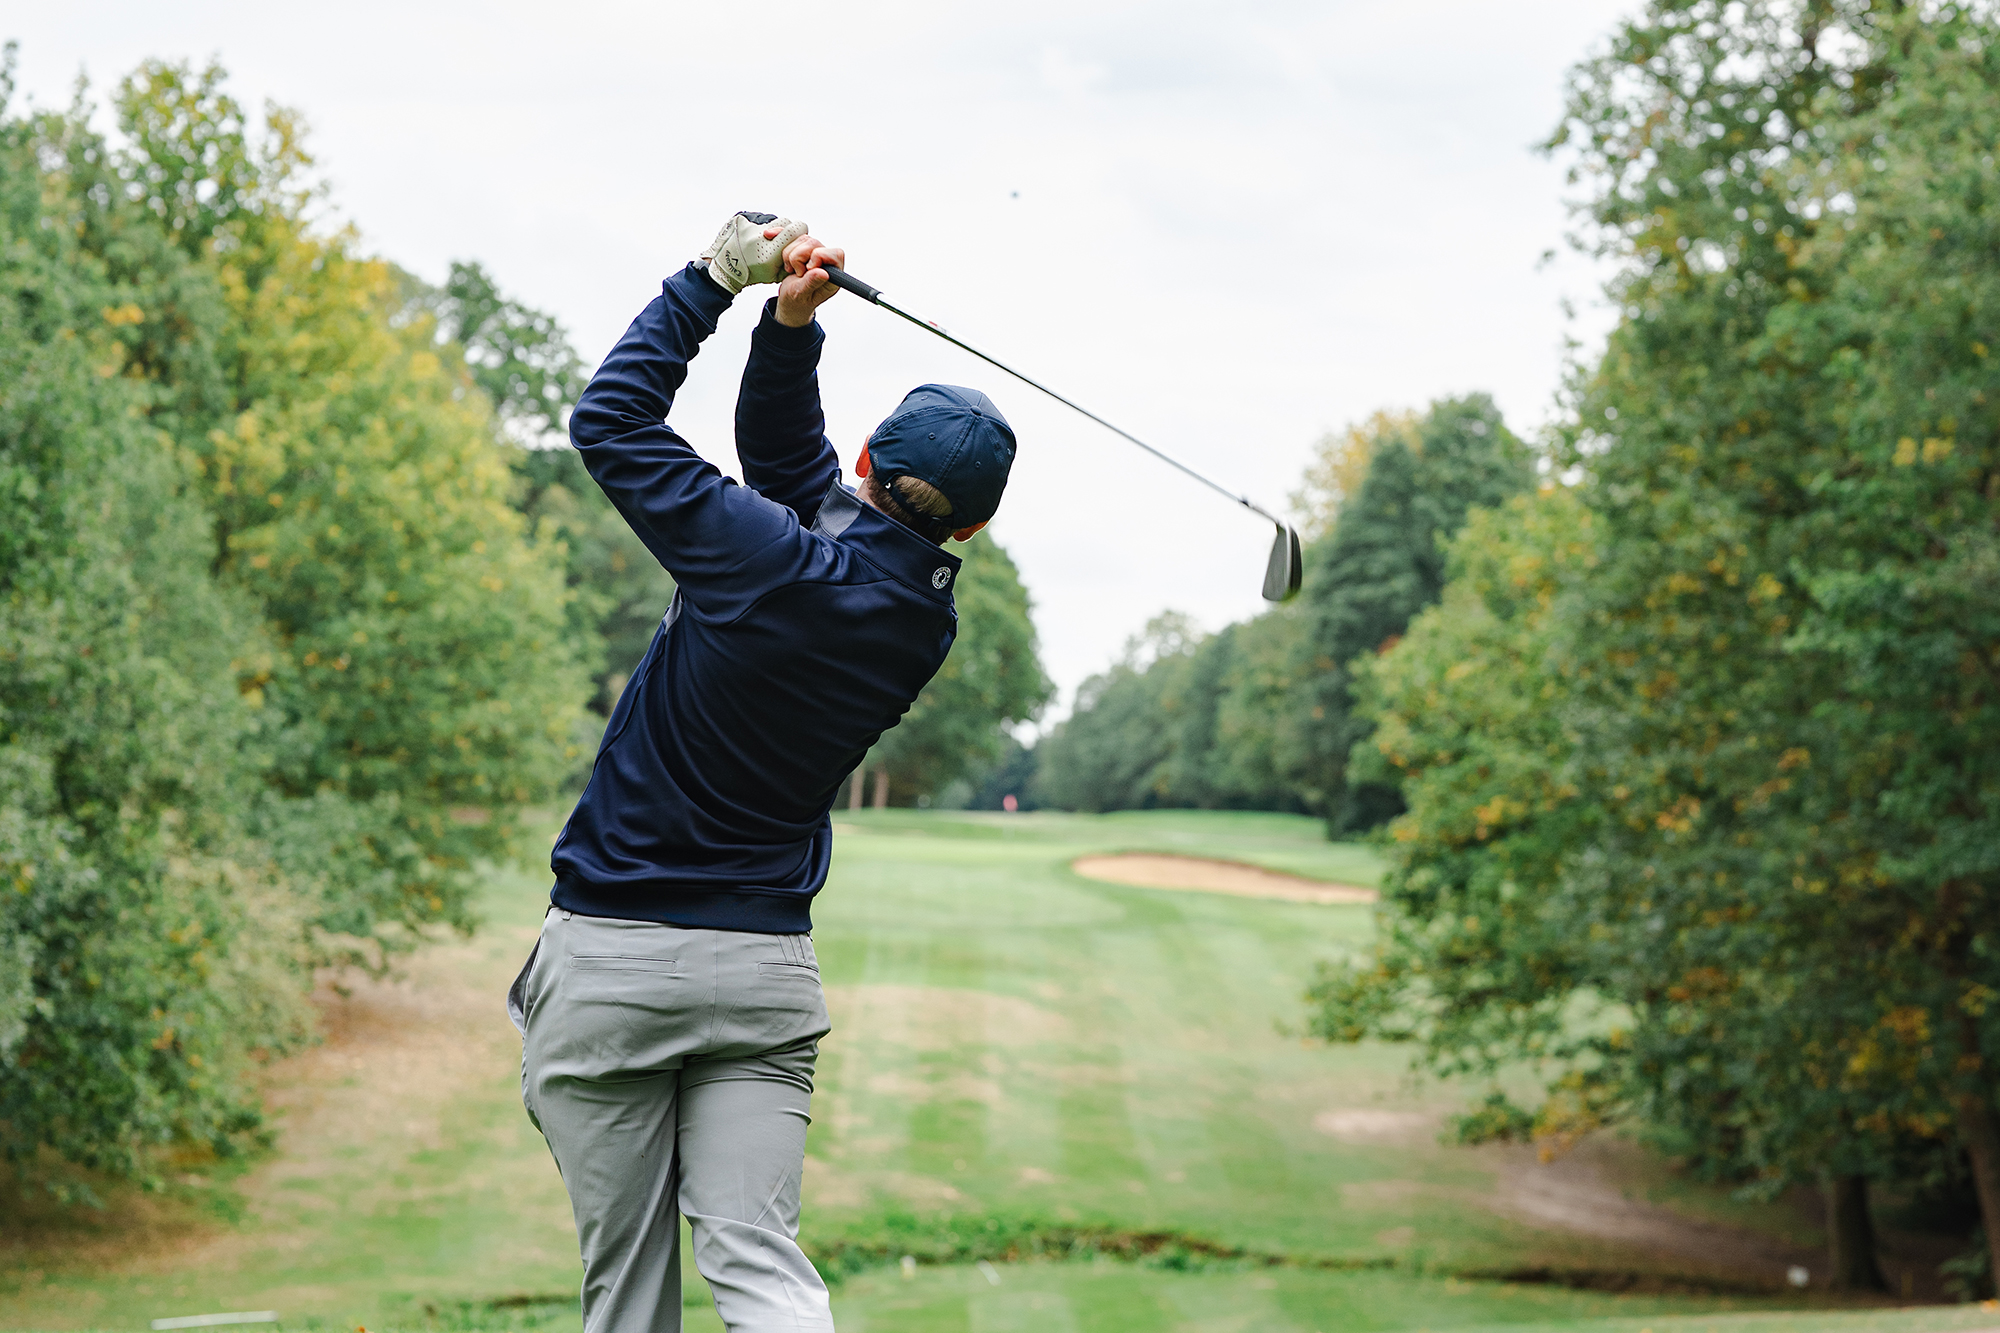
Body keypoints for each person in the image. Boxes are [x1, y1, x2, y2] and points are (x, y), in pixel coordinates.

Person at [507, 212, 1016, 1333]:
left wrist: (709, 281)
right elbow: (797, 476)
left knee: (629, 1296)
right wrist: (787, 332)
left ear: (870, 463)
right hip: (761, 977)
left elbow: (612, 420)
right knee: (763, 1271)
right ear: (970, 528)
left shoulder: (765, 559)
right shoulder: (911, 617)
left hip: (612, 962)